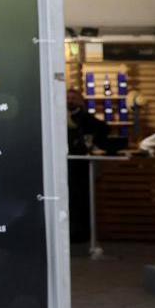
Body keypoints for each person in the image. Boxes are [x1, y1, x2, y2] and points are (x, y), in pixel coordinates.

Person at [66, 87, 110, 244]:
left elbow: (104, 128)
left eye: (73, 98)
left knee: (82, 199)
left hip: (80, 165)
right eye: (68, 98)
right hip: (65, 165)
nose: (70, 101)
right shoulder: (58, 116)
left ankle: (82, 234)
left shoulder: (85, 118)